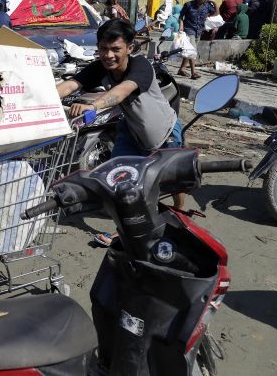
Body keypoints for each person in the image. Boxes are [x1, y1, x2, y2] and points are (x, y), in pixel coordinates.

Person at [55, 19, 185, 246]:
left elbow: (122, 91)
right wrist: (37, 100)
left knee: (175, 181)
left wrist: (93, 106)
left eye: (116, 49)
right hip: (132, 131)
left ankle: (181, 213)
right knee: (121, 182)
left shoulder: (141, 66)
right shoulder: (99, 68)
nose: (109, 55)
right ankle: (124, 229)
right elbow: (70, 85)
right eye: (103, 49)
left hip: (164, 132)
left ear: (130, 48)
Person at [178, 0, 217, 79]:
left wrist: (214, 3)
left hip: (199, 31)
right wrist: (181, 26)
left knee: (189, 51)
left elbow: (215, 14)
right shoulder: (188, 5)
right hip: (189, 29)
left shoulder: (208, 6)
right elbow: (181, 16)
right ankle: (193, 72)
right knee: (192, 50)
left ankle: (182, 69)